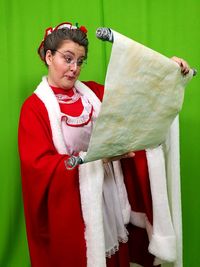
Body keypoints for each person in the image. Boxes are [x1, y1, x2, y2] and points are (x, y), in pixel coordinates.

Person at [18, 21, 190, 267]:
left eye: (80, 61)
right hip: (74, 207)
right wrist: (90, 159)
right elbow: (38, 167)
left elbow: (136, 98)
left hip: (108, 197)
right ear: (48, 56)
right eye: (67, 58)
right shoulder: (34, 109)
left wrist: (168, 71)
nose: (74, 68)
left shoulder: (93, 94)